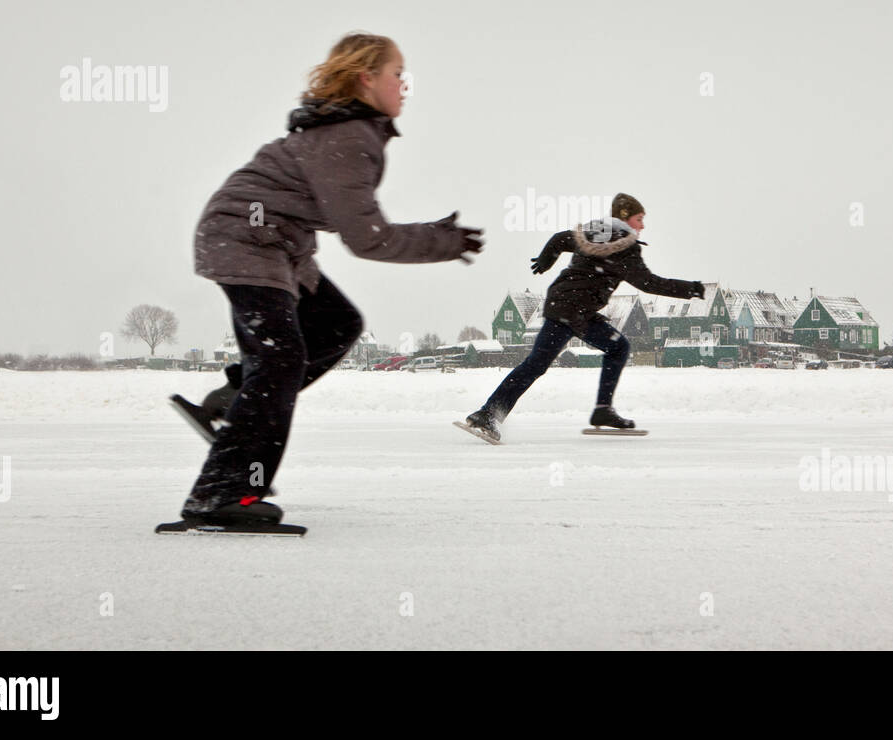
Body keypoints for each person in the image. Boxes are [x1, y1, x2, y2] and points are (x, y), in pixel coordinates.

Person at [177, 31, 484, 525]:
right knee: (280, 358)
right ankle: (220, 495)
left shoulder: (350, 131)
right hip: (247, 238)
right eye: (396, 74)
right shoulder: (348, 138)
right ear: (367, 78)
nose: (404, 85)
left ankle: (233, 401)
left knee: (336, 324)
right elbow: (367, 239)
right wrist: (438, 242)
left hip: (275, 244)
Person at [461, 193, 703, 444]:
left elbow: (559, 239)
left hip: (567, 307)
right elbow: (650, 283)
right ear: (625, 218)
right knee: (554, 360)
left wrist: (546, 260)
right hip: (571, 312)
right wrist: (693, 289)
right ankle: (491, 413)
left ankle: (600, 411)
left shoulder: (592, 232)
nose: (643, 225)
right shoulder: (626, 250)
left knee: (605, 349)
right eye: (639, 219)